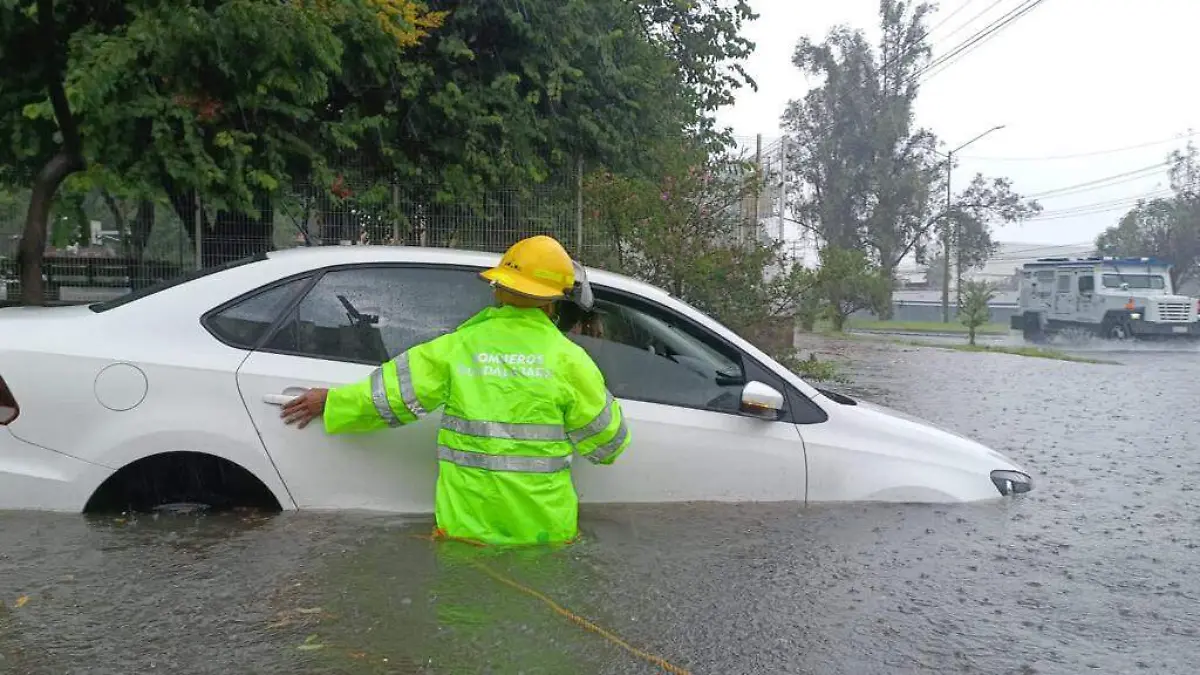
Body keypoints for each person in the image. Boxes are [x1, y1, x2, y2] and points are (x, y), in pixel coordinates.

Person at [280, 235, 630, 547]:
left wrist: (332, 402)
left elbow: (387, 398)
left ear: (499, 288)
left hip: (468, 531)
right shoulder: (572, 361)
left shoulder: (457, 348)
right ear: (554, 301)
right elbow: (608, 444)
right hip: (545, 534)